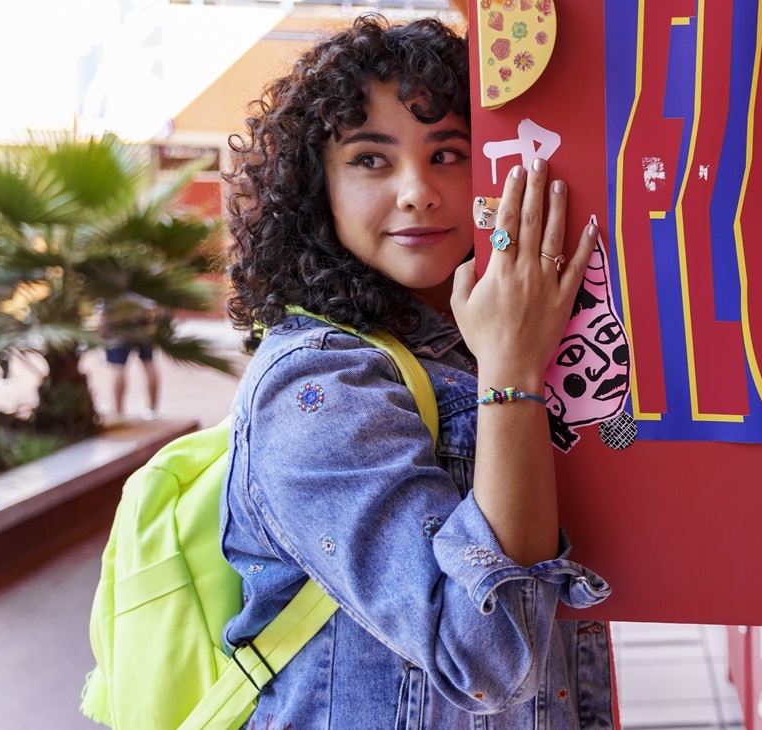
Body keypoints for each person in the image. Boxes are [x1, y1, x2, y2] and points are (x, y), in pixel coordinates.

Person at [221, 14, 613, 728]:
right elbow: (486, 659)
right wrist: (513, 370)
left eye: (449, 152)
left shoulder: (482, 337)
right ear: (319, 188)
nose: (417, 191)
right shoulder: (316, 388)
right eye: (371, 159)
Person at [96, 295, 160, 420]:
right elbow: (153, 303)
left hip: (118, 324)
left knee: (118, 368)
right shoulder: (144, 276)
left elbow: (104, 300)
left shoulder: (112, 276)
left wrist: (102, 323)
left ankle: (119, 412)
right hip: (143, 323)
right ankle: (153, 410)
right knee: (148, 363)